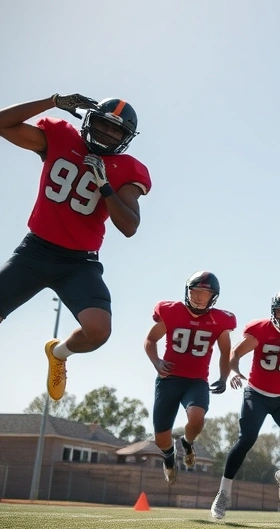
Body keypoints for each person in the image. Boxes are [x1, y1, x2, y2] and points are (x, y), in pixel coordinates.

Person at [0, 94, 152, 401]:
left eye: (116, 131)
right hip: (35, 251)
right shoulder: (59, 138)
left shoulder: (126, 169)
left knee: (98, 330)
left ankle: (58, 353)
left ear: (126, 139)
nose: (108, 134)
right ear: (88, 121)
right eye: (103, 125)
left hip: (78, 263)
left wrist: (104, 184)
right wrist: (53, 101)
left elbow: (130, 226)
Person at [210, 290, 280, 520]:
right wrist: (235, 372)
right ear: (273, 310)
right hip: (257, 394)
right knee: (247, 439)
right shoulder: (260, 329)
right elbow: (235, 353)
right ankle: (223, 494)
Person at [144, 271, 235, 484]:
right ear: (188, 291)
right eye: (196, 292)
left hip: (196, 381)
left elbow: (225, 352)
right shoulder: (172, 311)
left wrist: (223, 377)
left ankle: (187, 442)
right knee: (161, 437)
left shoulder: (220, 320)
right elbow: (150, 339)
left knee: (196, 417)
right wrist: (157, 362)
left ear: (213, 296)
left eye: (205, 293)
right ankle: (169, 457)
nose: (199, 297)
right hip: (168, 379)